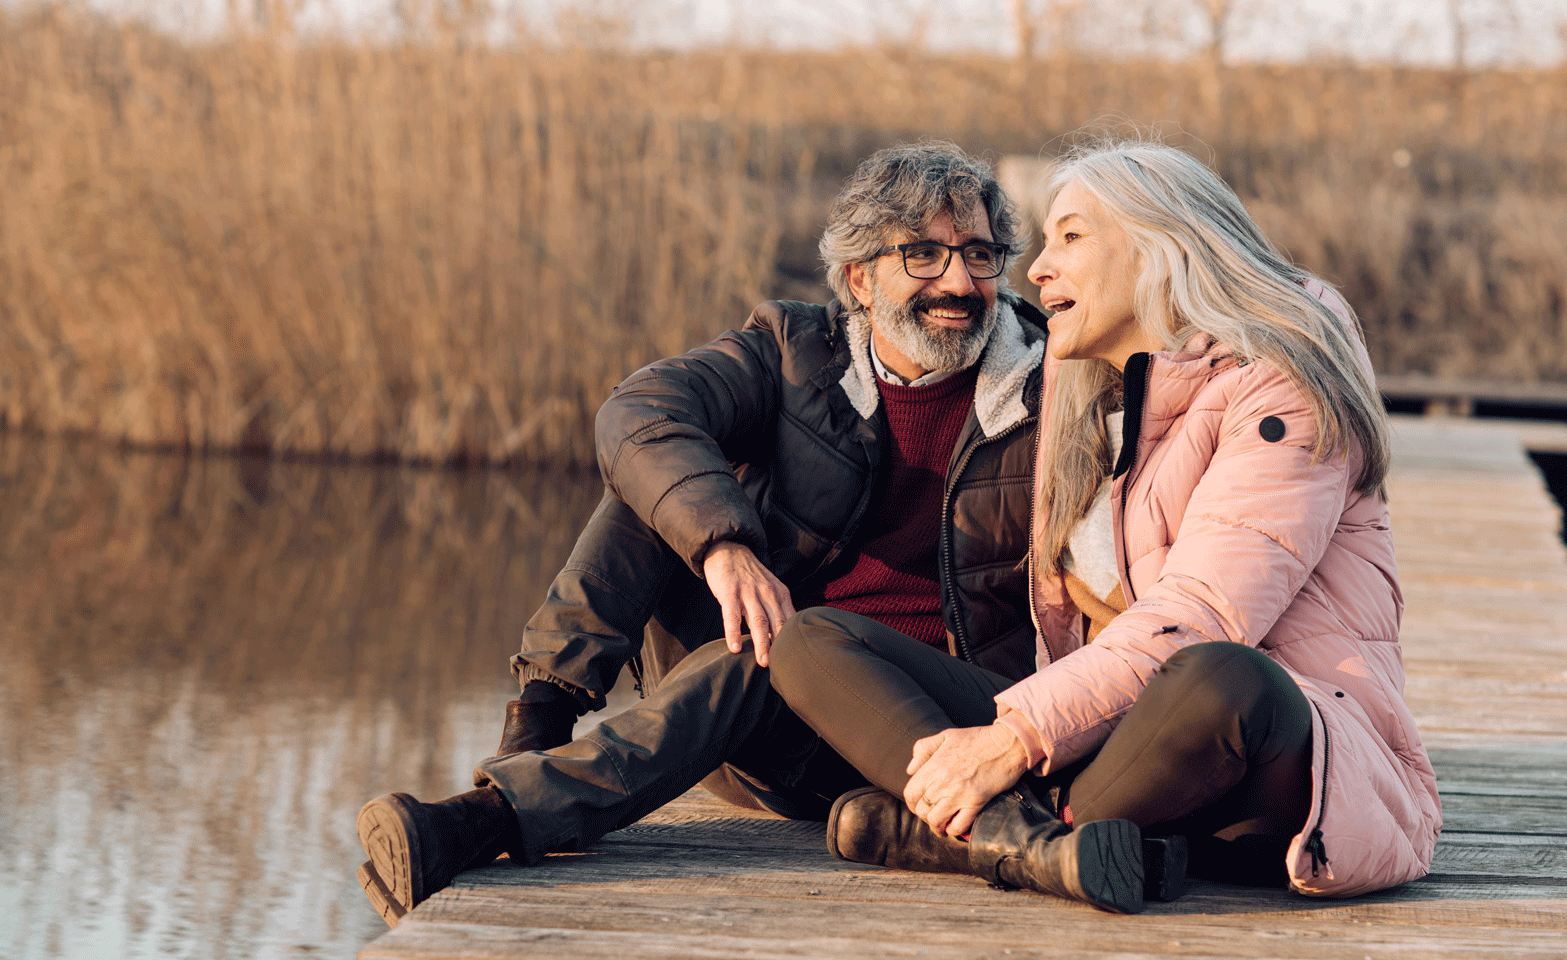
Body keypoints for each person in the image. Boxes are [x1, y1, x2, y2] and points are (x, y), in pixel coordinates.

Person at [354, 141, 1055, 927]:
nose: (959, 283)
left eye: (980, 255)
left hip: (927, 737)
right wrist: (724, 545)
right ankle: (537, 726)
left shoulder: (1052, 383)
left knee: (777, 648)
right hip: (758, 728)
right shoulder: (795, 352)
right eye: (923, 255)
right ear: (861, 279)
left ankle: (480, 822)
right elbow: (636, 412)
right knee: (664, 478)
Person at [765, 137, 1442, 913]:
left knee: (1223, 671)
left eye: (1072, 237)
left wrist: (1012, 740)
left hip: (1267, 765)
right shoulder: (1088, 389)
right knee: (814, 638)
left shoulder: (1283, 385)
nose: (1036, 268)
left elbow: (1200, 617)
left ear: (1162, 245)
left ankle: (970, 838)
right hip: (1105, 747)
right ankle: (1050, 846)